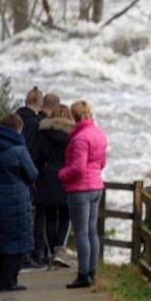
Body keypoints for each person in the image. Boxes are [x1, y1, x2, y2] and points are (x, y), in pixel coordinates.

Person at [0, 113, 38, 292]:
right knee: (16, 241)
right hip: (16, 200)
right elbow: (32, 173)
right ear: (17, 129)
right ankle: (10, 281)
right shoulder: (19, 150)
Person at [59, 100, 107, 289]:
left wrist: (62, 174)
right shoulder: (99, 134)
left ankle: (83, 274)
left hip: (80, 189)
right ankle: (92, 271)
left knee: (81, 232)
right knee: (92, 231)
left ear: (74, 116)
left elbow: (78, 168)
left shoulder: (80, 138)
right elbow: (102, 163)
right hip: (96, 185)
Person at [34, 104, 74, 268]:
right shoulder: (72, 135)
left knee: (50, 218)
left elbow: (37, 156)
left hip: (48, 174)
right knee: (66, 216)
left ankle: (52, 253)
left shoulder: (42, 133)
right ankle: (60, 251)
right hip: (66, 175)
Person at [17, 86, 44, 268]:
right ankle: (29, 255)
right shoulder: (36, 124)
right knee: (30, 215)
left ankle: (18, 253)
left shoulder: (16, 118)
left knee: (18, 213)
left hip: (13, 170)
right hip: (31, 169)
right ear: (39, 103)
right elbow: (37, 149)